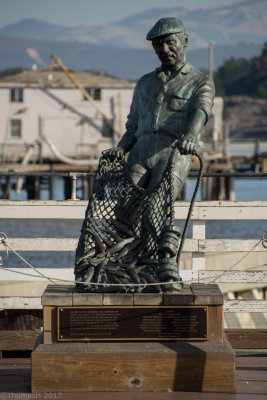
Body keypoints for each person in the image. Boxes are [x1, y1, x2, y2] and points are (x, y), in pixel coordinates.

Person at [108, 18, 215, 200]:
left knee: (155, 209)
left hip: (172, 152)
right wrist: (121, 148)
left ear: (185, 41)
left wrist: (190, 134)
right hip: (140, 152)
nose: (164, 49)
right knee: (124, 209)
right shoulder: (144, 83)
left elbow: (201, 109)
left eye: (170, 42)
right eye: (158, 45)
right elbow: (133, 125)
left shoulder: (200, 81)